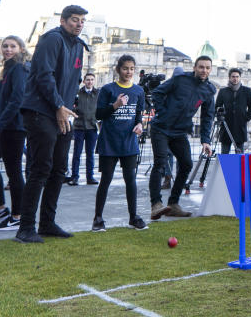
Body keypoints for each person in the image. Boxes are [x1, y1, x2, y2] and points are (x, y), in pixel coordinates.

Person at [16, 5, 88, 243]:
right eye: (75, 20)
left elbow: (72, 81)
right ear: (64, 20)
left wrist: (66, 108)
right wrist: (58, 105)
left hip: (63, 112)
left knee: (59, 170)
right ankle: (26, 227)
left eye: (82, 21)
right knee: (40, 169)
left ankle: (47, 223)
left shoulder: (79, 46)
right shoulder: (51, 40)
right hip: (41, 111)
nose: (79, 24)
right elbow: (43, 76)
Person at [148, 56, 216, 220]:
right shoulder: (180, 79)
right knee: (160, 163)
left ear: (210, 70)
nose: (204, 70)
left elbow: (208, 117)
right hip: (161, 128)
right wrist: (162, 113)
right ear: (194, 67)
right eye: (201, 67)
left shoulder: (209, 90)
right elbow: (157, 93)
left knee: (186, 164)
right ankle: (156, 205)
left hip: (179, 132)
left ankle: (173, 204)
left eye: (207, 68)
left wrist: (205, 140)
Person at [92, 55, 147, 232]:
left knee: (130, 180)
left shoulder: (138, 91)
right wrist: (115, 105)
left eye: (131, 69)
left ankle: (133, 217)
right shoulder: (108, 89)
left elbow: (139, 114)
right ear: (118, 69)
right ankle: (98, 219)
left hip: (129, 143)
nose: (128, 72)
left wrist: (140, 124)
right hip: (109, 142)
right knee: (105, 180)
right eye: (125, 68)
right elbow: (98, 114)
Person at [0, 35, 30, 229]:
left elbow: (17, 99)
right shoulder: (8, 68)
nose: (8, 49)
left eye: (12, 46)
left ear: (20, 48)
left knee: (14, 172)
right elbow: (5, 95)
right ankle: (1, 209)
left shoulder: (19, 68)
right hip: (6, 125)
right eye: (5, 46)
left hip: (12, 127)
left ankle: (18, 216)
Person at [68, 73, 99, 185]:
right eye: (88, 80)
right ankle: (74, 176)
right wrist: (75, 112)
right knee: (77, 153)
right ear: (84, 81)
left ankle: (90, 177)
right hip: (79, 126)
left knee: (90, 153)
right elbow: (70, 105)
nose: (90, 82)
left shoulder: (97, 93)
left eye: (91, 80)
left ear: (94, 81)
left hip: (92, 126)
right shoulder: (78, 93)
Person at [216, 68, 251, 153]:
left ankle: (238, 167)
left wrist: (246, 117)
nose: (235, 79)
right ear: (229, 78)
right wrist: (220, 119)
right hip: (226, 126)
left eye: (237, 76)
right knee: (225, 153)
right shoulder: (223, 91)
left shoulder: (247, 91)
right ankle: (226, 167)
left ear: (240, 77)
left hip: (240, 126)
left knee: (239, 155)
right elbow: (217, 106)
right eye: (233, 76)